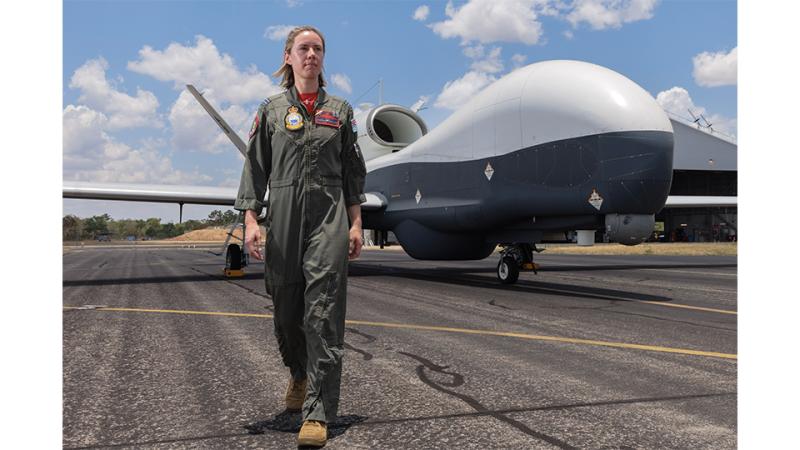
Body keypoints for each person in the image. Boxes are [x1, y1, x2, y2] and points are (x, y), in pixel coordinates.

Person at [234, 25, 367, 447]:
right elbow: (255, 168)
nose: (312, 54)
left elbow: (352, 172)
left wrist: (356, 222)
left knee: (323, 312)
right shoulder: (271, 110)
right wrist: (252, 221)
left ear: (323, 59)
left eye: (318, 49)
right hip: (284, 215)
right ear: (288, 57)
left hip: (329, 216)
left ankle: (318, 411)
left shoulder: (341, 111)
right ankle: (297, 373)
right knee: (287, 309)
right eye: (303, 48)